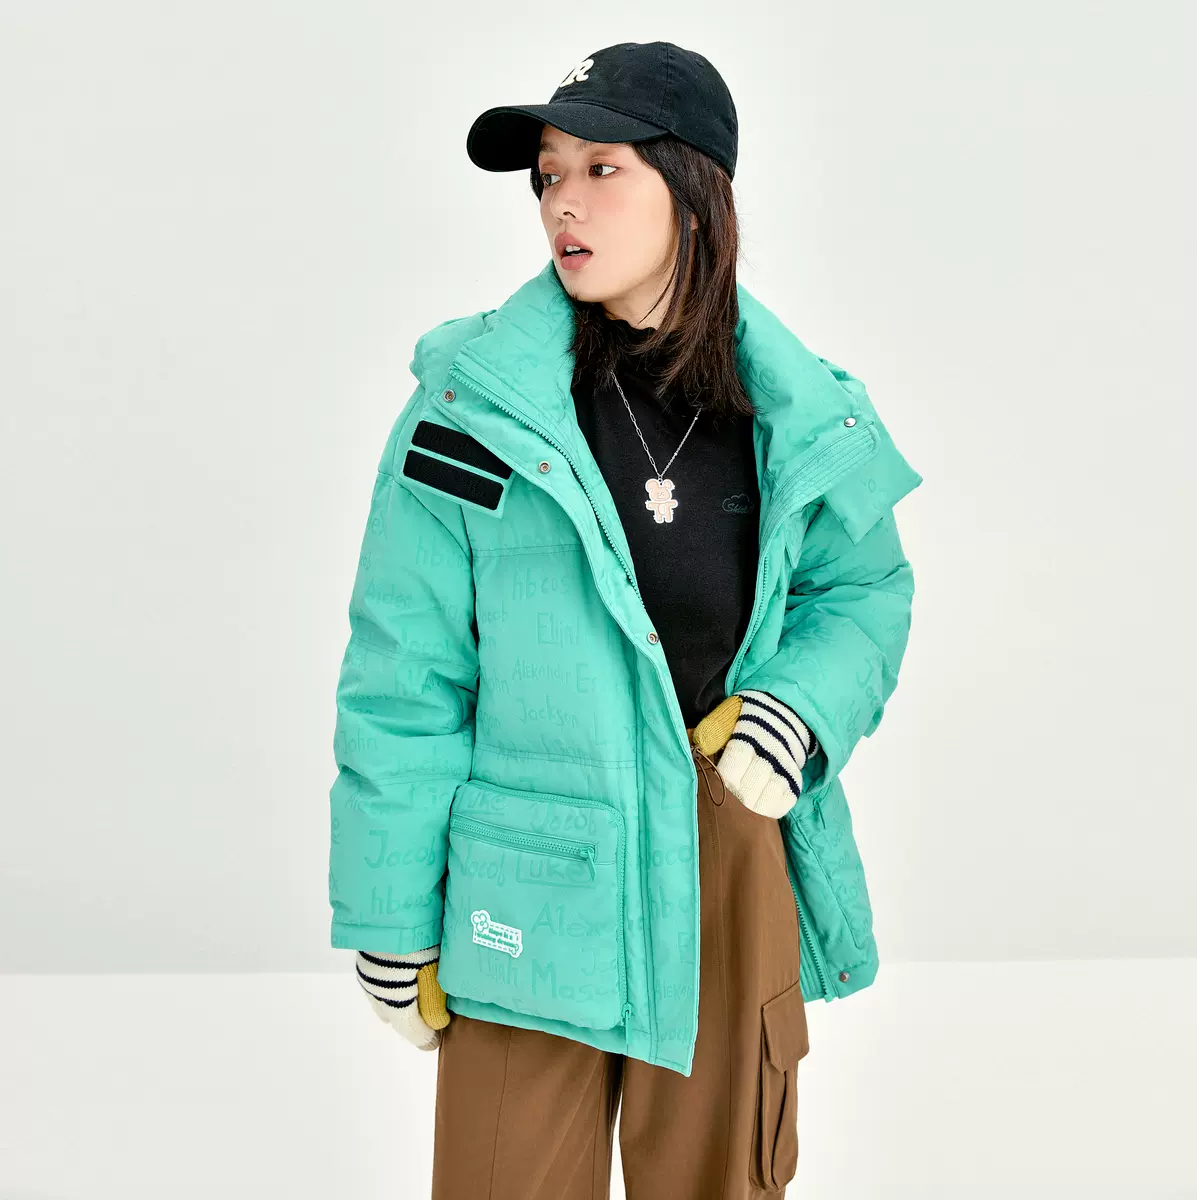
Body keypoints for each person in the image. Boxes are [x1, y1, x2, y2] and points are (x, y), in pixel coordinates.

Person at [327, 40, 923, 1199]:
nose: (563, 202)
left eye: (602, 169)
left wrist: (798, 713)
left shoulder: (804, 411)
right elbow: (406, 677)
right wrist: (392, 911)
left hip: (727, 847)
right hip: (526, 867)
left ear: (695, 193)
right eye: (549, 175)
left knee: (719, 1180)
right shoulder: (471, 411)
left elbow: (864, 591)